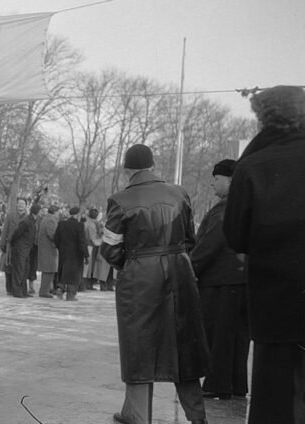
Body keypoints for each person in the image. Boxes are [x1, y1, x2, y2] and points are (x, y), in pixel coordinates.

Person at [101, 144, 208, 424]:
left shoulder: (120, 200)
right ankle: (197, 416)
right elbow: (190, 237)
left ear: (127, 169)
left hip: (139, 277)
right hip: (180, 272)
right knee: (183, 344)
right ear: (152, 165)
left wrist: (131, 263)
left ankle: (137, 415)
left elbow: (109, 250)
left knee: (139, 345)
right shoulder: (179, 193)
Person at [222, 85, 305, 424]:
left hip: (275, 300)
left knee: (274, 392)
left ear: (264, 119)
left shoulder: (252, 165)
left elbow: (235, 235)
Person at [189, 159, 249, 400]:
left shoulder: (224, 211)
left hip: (220, 281)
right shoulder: (245, 207)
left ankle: (217, 383)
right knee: (237, 336)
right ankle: (236, 384)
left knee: (218, 333)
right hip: (242, 280)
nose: (213, 183)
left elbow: (209, 245)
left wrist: (189, 267)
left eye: (217, 178)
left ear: (230, 180)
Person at [55, 206, 88, 301]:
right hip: (76, 254)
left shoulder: (61, 224)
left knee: (63, 271)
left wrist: (60, 248)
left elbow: (56, 239)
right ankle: (71, 294)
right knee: (74, 274)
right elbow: (82, 242)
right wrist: (86, 255)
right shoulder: (79, 226)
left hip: (63, 253)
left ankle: (60, 288)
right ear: (77, 215)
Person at [9, 203, 41, 298]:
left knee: (25, 270)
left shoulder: (34, 220)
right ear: (37, 211)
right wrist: (14, 244)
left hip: (28, 248)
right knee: (19, 269)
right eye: (40, 210)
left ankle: (23, 290)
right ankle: (17, 291)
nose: (42, 212)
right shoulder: (26, 221)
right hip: (21, 248)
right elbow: (16, 233)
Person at [0, 198, 27, 296]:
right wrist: (2, 243)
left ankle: (19, 288)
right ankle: (9, 288)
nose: (20, 205)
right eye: (19, 203)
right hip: (10, 245)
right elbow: (5, 230)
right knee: (8, 267)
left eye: (23, 204)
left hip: (22, 246)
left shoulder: (27, 217)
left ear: (26, 205)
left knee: (20, 268)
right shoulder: (10, 216)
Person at [36, 205, 60, 298]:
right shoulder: (51, 220)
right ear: (55, 212)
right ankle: (44, 291)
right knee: (49, 270)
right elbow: (52, 234)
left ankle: (45, 289)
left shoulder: (45, 219)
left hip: (45, 248)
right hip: (49, 249)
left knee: (47, 270)